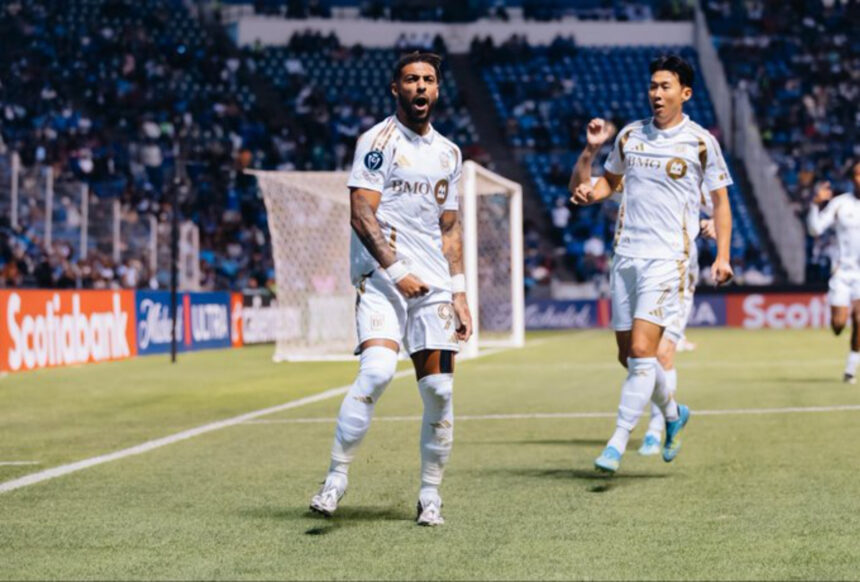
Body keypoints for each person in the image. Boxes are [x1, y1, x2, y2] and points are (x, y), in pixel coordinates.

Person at [309, 52, 472, 526]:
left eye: (428, 80)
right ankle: (335, 480)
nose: (420, 87)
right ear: (395, 88)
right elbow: (361, 213)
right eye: (411, 79)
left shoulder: (450, 153)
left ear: (437, 89)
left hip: (434, 287)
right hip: (382, 281)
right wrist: (397, 270)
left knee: (439, 390)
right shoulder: (376, 142)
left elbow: (449, 227)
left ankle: (430, 495)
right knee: (378, 372)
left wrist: (460, 292)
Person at [569, 54, 734, 473]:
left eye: (665, 86)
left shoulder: (700, 142)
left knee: (646, 352)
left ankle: (618, 441)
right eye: (653, 86)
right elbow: (609, 183)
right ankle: (674, 414)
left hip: (668, 260)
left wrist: (723, 256)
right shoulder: (630, 135)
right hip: (625, 257)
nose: (656, 94)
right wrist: (590, 184)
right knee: (629, 356)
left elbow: (720, 202)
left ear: (685, 93)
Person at [640, 193, 716, 455]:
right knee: (638, 354)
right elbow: (603, 187)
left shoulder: (691, 176)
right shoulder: (637, 171)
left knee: (663, 353)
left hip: (679, 269)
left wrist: (715, 223)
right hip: (641, 266)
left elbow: (720, 205)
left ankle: (655, 429)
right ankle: (673, 414)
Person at [807, 161, 860, 384]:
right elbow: (815, 229)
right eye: (857, 174)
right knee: (838, 325)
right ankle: (839, 322)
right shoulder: (840, 204)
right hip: (842, 273)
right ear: (852, 179)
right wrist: (815, 204)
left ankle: (850, 369)